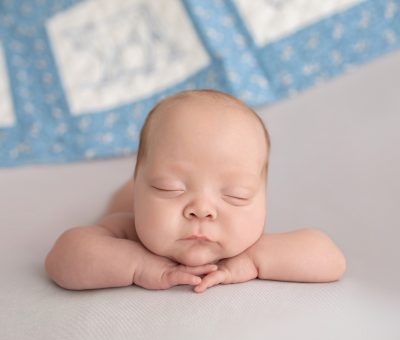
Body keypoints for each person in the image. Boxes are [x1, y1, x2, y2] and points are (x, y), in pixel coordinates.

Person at [45, 89, 346, 293]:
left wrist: (253, 260)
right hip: (127, 205)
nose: (202, 210)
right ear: (140, 186)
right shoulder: (129, 229)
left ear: (263, 199)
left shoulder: (246, 243)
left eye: (236, 195)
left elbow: (330, 258)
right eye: (169, 187)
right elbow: (62, 258)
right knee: (118, 203)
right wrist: (138, 265)